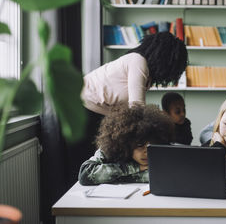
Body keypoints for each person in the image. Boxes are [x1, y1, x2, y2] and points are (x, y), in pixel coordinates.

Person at [67, 32, 188, 184]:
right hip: (82, 109)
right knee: (82, 168)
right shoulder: (138, 62)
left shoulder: (146, 74)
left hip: (95, 112)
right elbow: (137, 112)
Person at [78, 104, 174, 185]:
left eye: (151, 145)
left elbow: (168, 176)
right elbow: (85, 175)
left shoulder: (161, 154)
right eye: (140, 145)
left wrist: (116, 176)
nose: (146, 152)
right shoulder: (111, 148)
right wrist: (136, 168)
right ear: (126, 142)